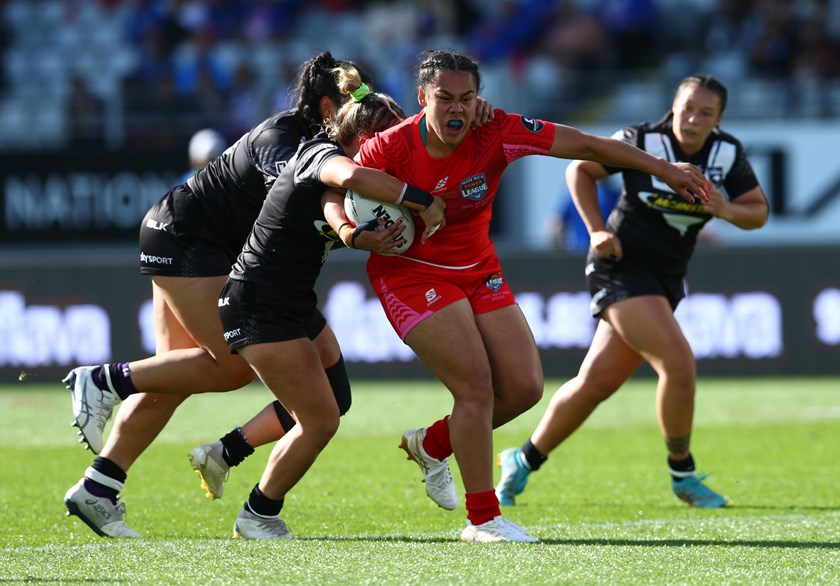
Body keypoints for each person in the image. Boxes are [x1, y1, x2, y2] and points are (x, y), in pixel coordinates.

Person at [353, 49, 711, 543]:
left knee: (523, 389)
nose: (457, 109)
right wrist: (351, 232)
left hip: (478, 270)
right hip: (411, 273)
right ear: (422, 99)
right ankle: (483, 520)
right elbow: (336, 188)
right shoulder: (390, 147)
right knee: (476, 387)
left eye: (467, 98)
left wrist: (663, 168)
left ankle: (432, 443)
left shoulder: (495, 128)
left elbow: (585, 143)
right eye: (444, 99)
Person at [62, 51, 380, 539]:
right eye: (355, 110)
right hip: (189, 242)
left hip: (210, 250)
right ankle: (106, 381)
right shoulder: (288, 141)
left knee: (179, 374)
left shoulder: (321, 143)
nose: (366, 128)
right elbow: (295, 201)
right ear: (326, 106)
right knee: (230, 365)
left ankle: (98, 487)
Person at [495, 73, 768, 510]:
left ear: (719, 120)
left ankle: (521, 459)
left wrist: (727, 209)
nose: (693, 119)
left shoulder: (726, 152)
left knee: (594, 384)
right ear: (672, 106)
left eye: (706, 113)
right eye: (687, 108)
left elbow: (758, 213)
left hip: (666, 276)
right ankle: (683, 473)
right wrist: (596, 230)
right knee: (678, 364)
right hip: (620, 265)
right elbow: (579, 169)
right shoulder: (642, 141)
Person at [222, 69, 447, 540]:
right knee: (320, 419)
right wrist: (421, 200)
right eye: (387, 139)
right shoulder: (321, 154)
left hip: (288, 300)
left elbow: (333, 205)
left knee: (334, 401)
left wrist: (352, 234)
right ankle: (257, 512)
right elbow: (346, 176)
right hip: (259, 302)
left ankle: (241, 480)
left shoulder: (339, 179)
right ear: (364, 136)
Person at [549, 174, 621, 253]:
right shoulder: (613, 195)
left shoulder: (574, 193)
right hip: (603, 252)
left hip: (580, 252)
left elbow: (556, 225)